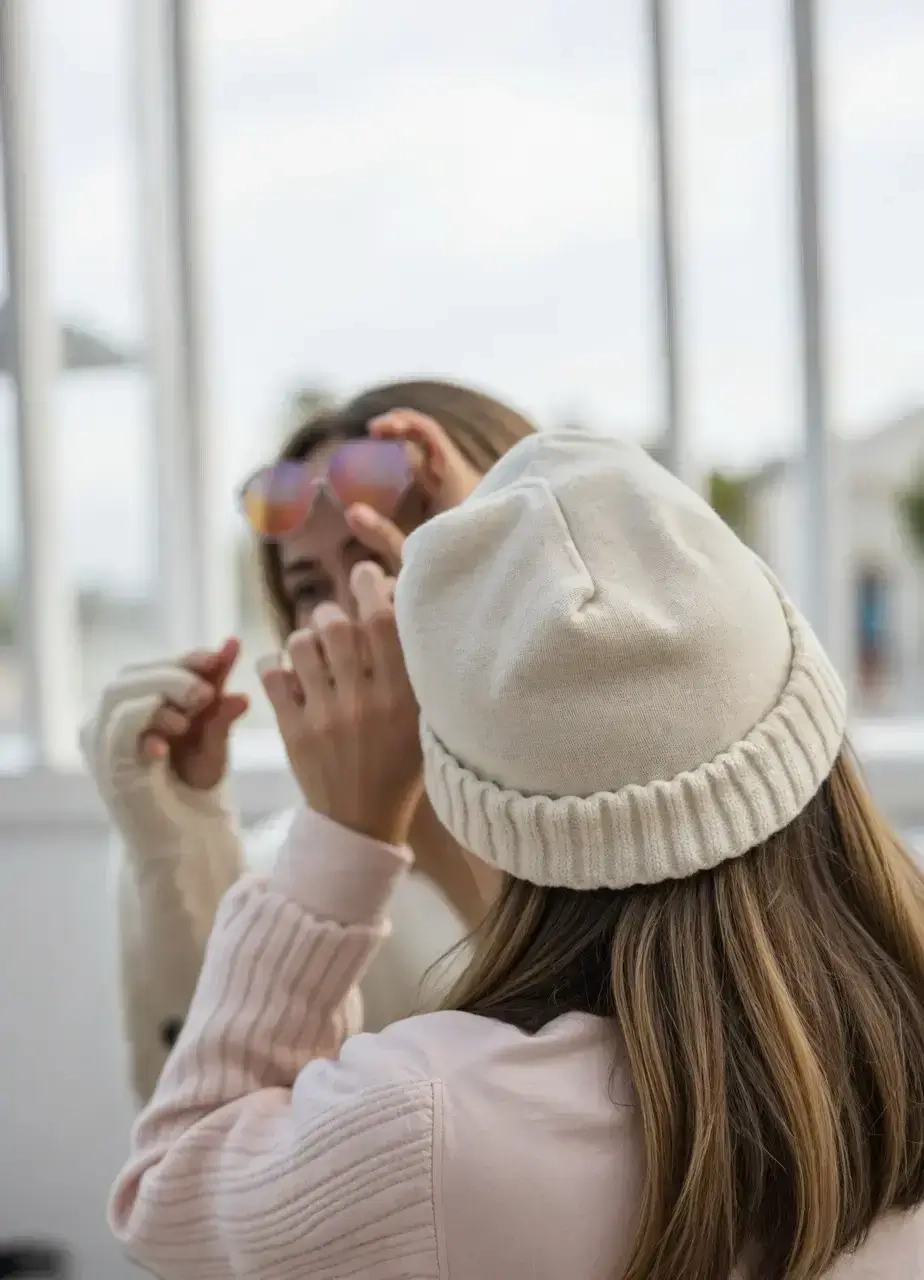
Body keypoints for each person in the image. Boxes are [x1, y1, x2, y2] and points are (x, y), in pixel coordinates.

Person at [95, 430, 924, 1280]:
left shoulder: (427, 1118)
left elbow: (173, 1199)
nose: (363, 625)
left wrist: (340, 841)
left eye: (406, 577)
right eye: (311, 587)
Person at [81, 379, 535, 1103]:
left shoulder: (645, 823)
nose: (344, 618)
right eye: (308, 589)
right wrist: (178, 855)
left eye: (381, 560)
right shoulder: (273, 883)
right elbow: (200, 1144)